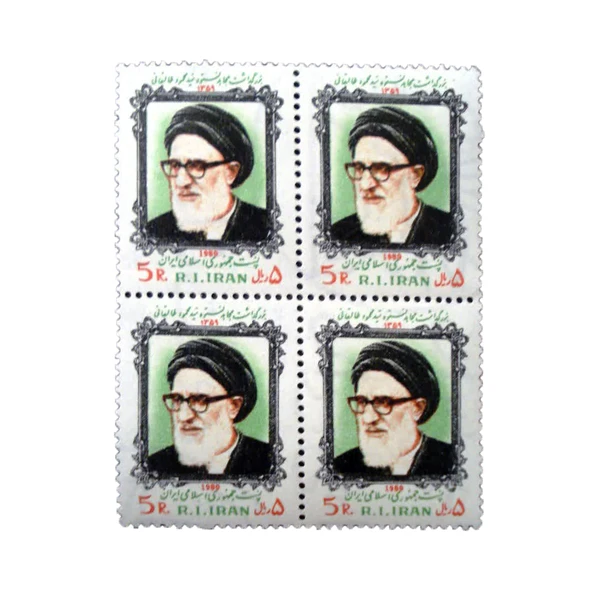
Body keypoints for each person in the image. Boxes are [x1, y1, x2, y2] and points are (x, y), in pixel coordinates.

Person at [148, 339, 271, 476]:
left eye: (200, 400)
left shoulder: (269, 461)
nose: (184, 416)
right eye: (177, 399)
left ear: (234, 406)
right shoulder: (154, 466)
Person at [147, 104, 268, 243]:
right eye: (175, 165)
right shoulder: (154, 232)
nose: (181, 181)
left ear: (231, 172)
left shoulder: (266, 228)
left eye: (197, 166)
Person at [331, 106, 452, 245]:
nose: (365, 184)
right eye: (359, 168)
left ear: (415, 175)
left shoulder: (449, 232)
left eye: (382, 169)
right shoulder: (339, 235)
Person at [334, 341, 454, 477]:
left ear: (417, 408)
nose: (368, 418)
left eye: (384, 402)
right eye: (362, 401)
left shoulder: (451, 462)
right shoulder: (341, 468)